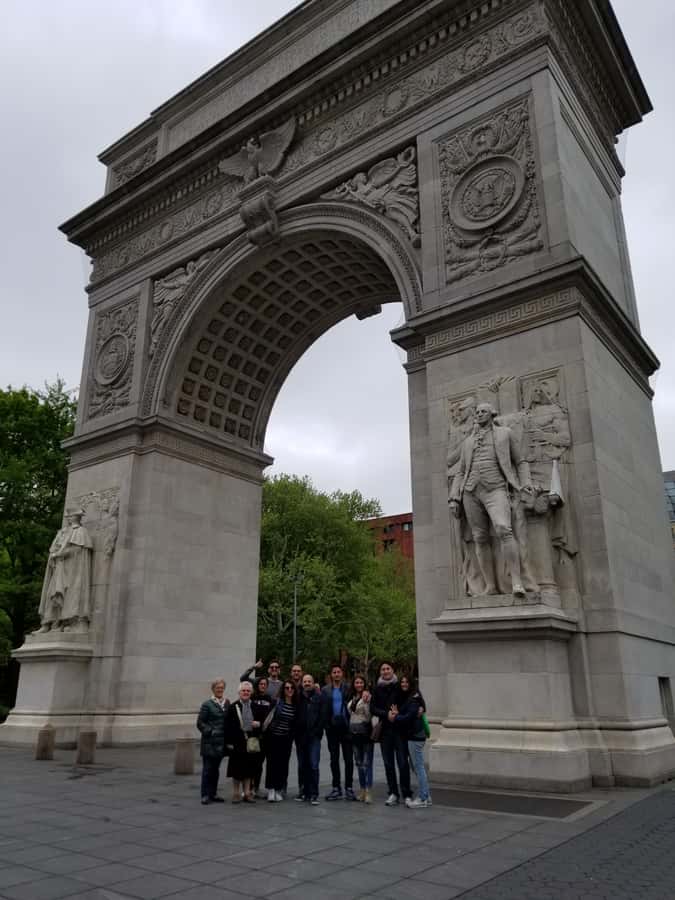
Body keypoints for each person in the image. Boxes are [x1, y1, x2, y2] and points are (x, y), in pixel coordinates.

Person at [450, 401, 533, 596]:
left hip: (496, 488)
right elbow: (461, 472)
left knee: (504, 529)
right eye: (477, 412)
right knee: (479, 538)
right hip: (471, 492)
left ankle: (517, 582)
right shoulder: (468, 442)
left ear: (492, 414)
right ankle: (490, 586)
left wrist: (525, 483)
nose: (478, 415)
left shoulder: (505, 433)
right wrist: (454, 497)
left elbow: (520, 462)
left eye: (483, 412)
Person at [372, 661, 411, 806]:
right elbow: (373, 708)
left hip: (400, 730)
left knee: (402, 763)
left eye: (388, 668)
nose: (385, 671)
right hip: (385, 732)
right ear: (380, 672)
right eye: (383, 669)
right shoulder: (376, 688)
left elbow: (411, 697)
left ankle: (406, 793)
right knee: (388, 764)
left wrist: (398, 713)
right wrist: (386, 714)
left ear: (392, 670)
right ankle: (393, 793)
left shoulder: (399, 685)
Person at [393, 675, 432, 808]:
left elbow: (408, 717)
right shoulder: (414, 696)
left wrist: (396, 716)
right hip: (415, 736)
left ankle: (423, 798)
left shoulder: (414, 698)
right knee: (417, 766)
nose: (404, 684)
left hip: (415, 736)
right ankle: (426, 795)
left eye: (406, 681)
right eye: (402, 682)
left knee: (418, 767)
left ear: (411, 683)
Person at [225, 681, 265, 803]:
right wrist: (229, 742)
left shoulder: (255, 706)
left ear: (251, 692)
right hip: (237, 743)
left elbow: (262, 723)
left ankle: (247, 793)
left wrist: (258, 724)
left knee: (249, 768)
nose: (246, 693)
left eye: (248, 691)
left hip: (251, 742)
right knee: (236, 769)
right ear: (239, 692)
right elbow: (227, 726)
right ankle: (236, 793)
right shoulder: (233, 707)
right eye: (243, 691)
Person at [321, 664, 356, 801]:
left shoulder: (348, 688)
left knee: (348, 759)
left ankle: (349, 787)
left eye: (338, 672)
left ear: (342, 674)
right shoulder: (325, 690)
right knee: (334, 759)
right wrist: (326, 725)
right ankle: (336, 787)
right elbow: (323, 708)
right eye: (334, 672)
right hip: (332, 729)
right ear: (331, 675)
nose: (336, 674)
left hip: (346, 728)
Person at [196, 678, 230, 805]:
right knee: (207, 769)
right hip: (209, 743)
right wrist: (210, 731)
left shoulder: (227, 703)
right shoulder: (207, 704)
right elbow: (200, 723)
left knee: (216, 769)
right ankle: (205, 794)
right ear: (213, 689)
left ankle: (213, 793)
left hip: (221, 743)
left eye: (222, 687)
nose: (220, 690)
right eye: (217, 688)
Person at [264, 680, 298, 801]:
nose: (289, 690)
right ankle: (271, 789)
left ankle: (278, 789)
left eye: (291, 688)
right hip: (273, 737)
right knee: (272, 764)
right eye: (287, 688)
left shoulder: (295, 705)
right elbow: (268, 718)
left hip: (286, 739)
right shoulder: (277, 702)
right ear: (283, 690)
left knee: (283, 765)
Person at [296, 673, 324, 805]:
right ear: (302, 683)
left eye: (309, 681)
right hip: (301, 737)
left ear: (313, 683)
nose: (307, 683)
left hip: (314, 737)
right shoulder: (298, 697)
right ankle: (303, 792)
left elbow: (322, 717)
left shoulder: (319, 697)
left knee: (313, 765)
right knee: (302, 766)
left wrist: (317, 732)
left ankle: (314, 794)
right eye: (305, 681)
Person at [347, 674, 374, 803]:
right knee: (358, 763)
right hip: (354, 734)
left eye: (361, 683)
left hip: (365, 734)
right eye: (356, 682)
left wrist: (366, 703)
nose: (358, 685)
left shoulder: (367, 697)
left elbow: (369, 717)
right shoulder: (352, 697)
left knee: (367, 763)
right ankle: (362, 790)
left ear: (365, 684)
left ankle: (368, 790)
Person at [251, 677, 273, 798]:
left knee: (264, 763)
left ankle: (262, 788)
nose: (263, 686)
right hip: (254, 735)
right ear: (257, 685)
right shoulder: (252, 697)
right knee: (254, 763)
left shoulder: (270, 699)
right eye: (261, 684)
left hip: (266, 736)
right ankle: (251, 786)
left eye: (265, 684)